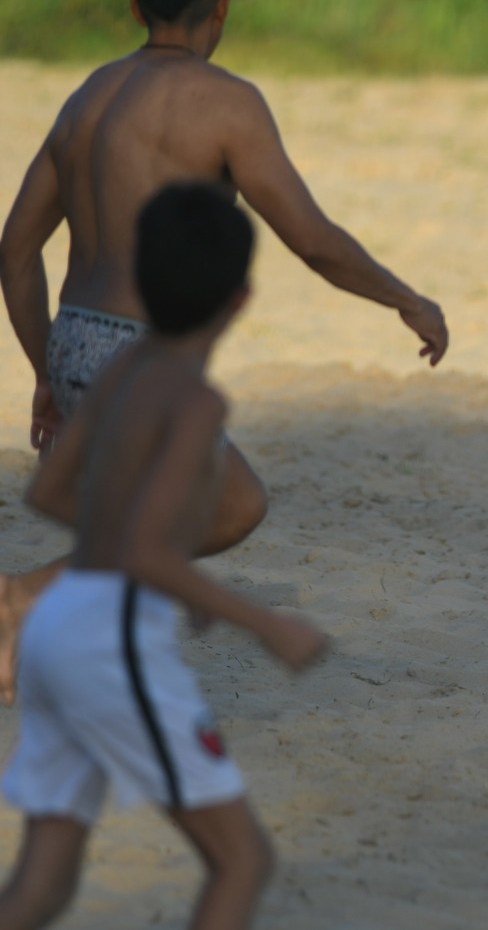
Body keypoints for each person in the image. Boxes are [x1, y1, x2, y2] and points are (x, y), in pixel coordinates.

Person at [0, 0, 448, 702]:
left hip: (77, 339)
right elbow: (311, 240)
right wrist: (405, 298)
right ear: (223, 10)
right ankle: (19, 599)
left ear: (137, 4)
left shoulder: (89, 98)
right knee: (231, 506)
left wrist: (47, 365)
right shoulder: (228, 104)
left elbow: (13, 249)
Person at [0, 182, 328, 930]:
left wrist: (130, 546)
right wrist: (265, 623)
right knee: (241, 861)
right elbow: (151, 552)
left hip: (51, 639)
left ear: (141, 280)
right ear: (241, 299)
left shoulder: (115, 374)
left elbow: (49, 492)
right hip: (106, 648)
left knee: (42, 886)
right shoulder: (194, 401)